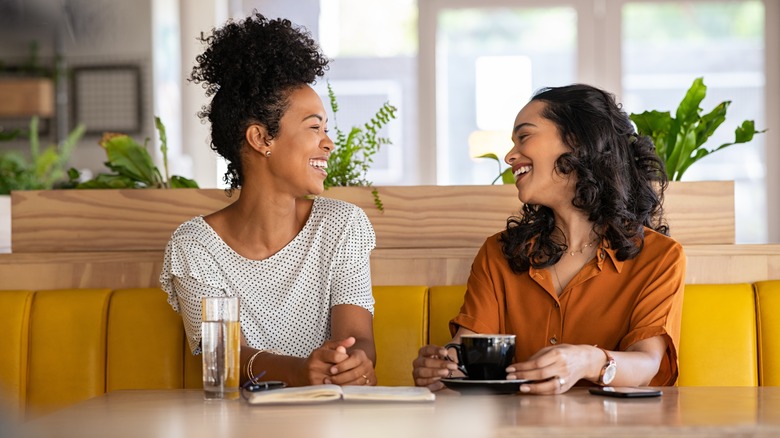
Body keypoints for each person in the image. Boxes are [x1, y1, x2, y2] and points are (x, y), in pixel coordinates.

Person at [412, 84, 685, 394]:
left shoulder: (659, 257)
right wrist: (441, 366)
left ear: (579, 141)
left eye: (524, 137)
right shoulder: (497, 254)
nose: (510, 156)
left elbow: (646, 364)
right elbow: (465, 355)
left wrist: (587, 360)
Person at [160, 13, 377, 388]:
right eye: (314, 128)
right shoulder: (194, 246)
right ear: (261, 139)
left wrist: (353, 363)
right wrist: (300, 372)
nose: (328, 143)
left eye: (327, 129)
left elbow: (360, 339)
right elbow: (223, 357)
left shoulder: (342, 225)